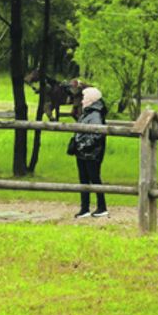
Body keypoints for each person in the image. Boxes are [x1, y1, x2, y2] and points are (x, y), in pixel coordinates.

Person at [72, 86, 108, 218]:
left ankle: (101, 207)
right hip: (86, 152)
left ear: (91, 100)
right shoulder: (88, 113)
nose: (82, 101)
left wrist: (83, 145)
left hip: (91, 152)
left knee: (93, 179)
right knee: (84, 180)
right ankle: (85, 208)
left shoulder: (95, 114)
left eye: (84, 98)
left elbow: (97, 134)